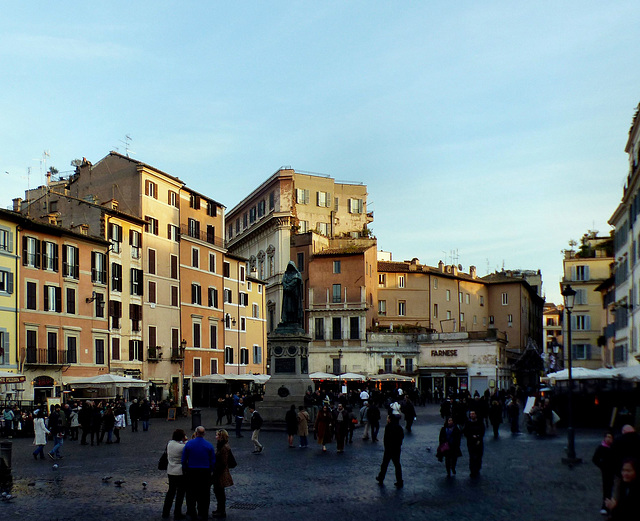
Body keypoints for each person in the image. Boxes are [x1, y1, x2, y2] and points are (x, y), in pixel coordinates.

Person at [182, 426, 215, 521]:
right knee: (204, 494)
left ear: (196, 433)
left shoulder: (189, 445)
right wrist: (210, 470)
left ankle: (192, 512)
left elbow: (184, 459)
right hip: (205, 472)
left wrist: (185, 469)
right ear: (204, 434)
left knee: (191, 494)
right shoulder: (209, 445)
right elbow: (213, 461)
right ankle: (203, 512)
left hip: (192, 471)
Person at [163, 428, 187, 519]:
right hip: (179, 472)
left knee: (171, 492)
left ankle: (166, 511)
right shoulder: (182, 447)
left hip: (170, 470)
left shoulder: (169, 443)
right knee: (180, 493)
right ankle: (177, 512)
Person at [375, 414, 404, 488]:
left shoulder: (388, 427)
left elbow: (386, 438)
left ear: (390, 419)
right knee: (397, 465)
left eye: (388, 418)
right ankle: (399, 481)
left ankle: (381, 477)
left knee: (384, 464)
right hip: (396, 449)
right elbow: (401, 437)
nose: (387, 420)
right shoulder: (399, 427)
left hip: (389, 449)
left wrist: (386, 447)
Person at [212, 429, 234, 519]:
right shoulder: (222, 446)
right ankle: (219, 509)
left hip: (220, 473)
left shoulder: (224, 447)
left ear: (221, 436)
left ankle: (221, 511)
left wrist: (215, 470)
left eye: (217, 435)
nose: (216, 437)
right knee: (218, 492)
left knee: (219, 492)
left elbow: (223, 462)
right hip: (219, 472)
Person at [593, 431, 615, 515]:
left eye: (610, 437)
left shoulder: (614, 447)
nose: (609, 439)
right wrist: (602, 466)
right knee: (607, 488)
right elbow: (595, 459)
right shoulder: (601, 448)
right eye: (607, 437)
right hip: (606, 471)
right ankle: (605, 505)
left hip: (614, 470)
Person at [464, 410, 485, 477]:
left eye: (473, 414)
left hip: (479, 441)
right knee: (472, 456)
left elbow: (482, 431)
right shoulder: (467, 423)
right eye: (471, 414)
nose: (472, 415)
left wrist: (479, 437)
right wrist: (471, 436)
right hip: (471, 442)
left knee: (479, 456)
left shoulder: (480, 422)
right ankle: (472, 470)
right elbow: (465, 432)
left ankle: (477, 468)